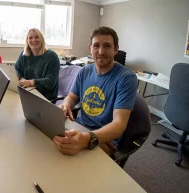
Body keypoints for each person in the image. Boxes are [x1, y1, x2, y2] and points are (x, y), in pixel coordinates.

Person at [54, 26, 137, 156]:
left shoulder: (126, 78)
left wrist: (87, 138)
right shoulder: (84, 71)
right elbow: (71, 97)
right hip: (80, 127)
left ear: (116, 49)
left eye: (107, 46)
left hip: (104, 140)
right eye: (96, 45)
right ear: (90, 49)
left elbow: (119, 124)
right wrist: (65, 105)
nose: (101, 51)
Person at [14, 28, 60, 100]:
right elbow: (17, 68)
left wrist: (31, 82)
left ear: (42, 39)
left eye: (37, 37)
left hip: (45, 97)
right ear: (27, 41)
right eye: (30, 38)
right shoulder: (24, 55)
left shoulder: (51, 56)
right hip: (27, 92)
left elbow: (51, 81)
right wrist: (16, 75)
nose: (33, 40)